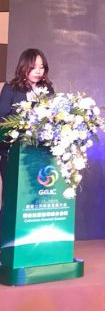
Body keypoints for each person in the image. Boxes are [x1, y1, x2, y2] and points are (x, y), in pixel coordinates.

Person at [0, 49, 54, 210]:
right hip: (13, 152)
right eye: (34, 67)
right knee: (12, 197)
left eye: (41, 67)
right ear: (24, 67)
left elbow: (54, 116)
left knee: (34, 196)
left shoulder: (48, 89)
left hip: (39, 153)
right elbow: (2, 119)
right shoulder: (11, 88)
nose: (38, 71)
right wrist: (26, 118)